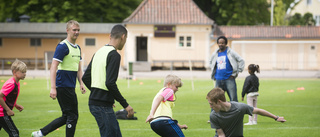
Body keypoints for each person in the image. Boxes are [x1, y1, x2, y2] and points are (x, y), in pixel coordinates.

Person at [32, 20, 86, 137]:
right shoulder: (62, 46)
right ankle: (41, 133)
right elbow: (53, 67)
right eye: (74, 30)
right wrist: (53, 88)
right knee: (72, 116)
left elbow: (79, 69)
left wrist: (81, 82)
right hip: (62, 86)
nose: (76, 32)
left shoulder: (78, 48)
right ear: (67, 31)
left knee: (67, 116)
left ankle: (41, 133)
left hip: (70, 87)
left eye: (78, 30)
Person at [82, 24, 134, 137]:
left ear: (110, 36)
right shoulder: (114, 55)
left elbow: (85, 78)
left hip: (96, 103)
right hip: (102, 106)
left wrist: (101, 94)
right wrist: (126, 105)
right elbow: (110, 83)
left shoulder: (98, 52)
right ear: (123, 37)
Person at [207, 88, 286, 137]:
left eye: (211, 104)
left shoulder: (239, 108)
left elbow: (258, 111)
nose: (210, 107)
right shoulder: (214, 115)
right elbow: (221, 135)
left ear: (219, 101)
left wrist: (276, 118)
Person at [209, 36, 245, 102]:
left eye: (222, 43)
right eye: (219, 43)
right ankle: (215, 112)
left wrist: (237, 71)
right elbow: (210, 62)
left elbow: (241, 60)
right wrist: (213, 71)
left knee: (233, 99)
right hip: (218, 80)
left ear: (226, 44)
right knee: (216, 100)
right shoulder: (215, 53)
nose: (221, 44)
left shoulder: (231, 52)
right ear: (217, 44)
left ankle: (235, 112)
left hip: (229, 79)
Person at [0, 59, 26, 137]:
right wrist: (8, 110)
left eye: (25, 72)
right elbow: (0, 96)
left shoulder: (16, 82)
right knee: (14, 134)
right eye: (22, 72)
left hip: (2, 112)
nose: (25, 74)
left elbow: (7, 97)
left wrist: (15, 105)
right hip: (2, 113)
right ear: (14, 72)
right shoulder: (11, 84)